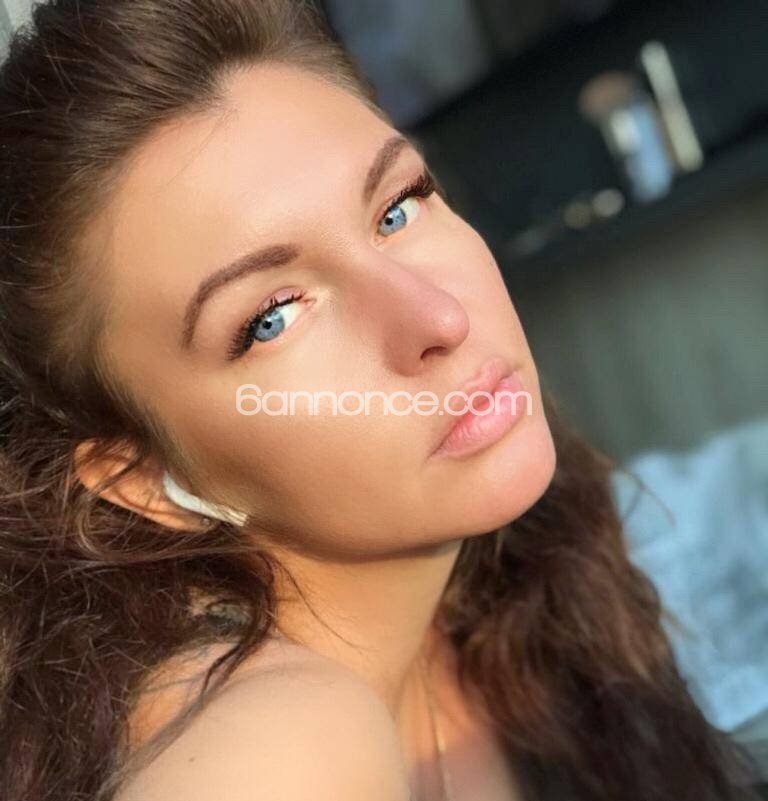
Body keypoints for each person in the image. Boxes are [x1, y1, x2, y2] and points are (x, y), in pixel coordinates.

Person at [0, 2, 755, 800]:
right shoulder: (264, 742)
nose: (439, 319)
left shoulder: (522, 583)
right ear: (145, 480)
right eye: (272, 317)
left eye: (397, 207)